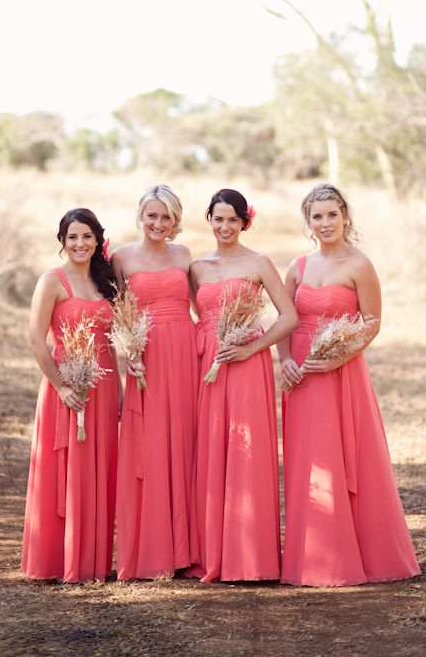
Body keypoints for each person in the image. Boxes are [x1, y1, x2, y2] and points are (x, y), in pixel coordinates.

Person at [279, 183, 421, 587]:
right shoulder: (299, 267)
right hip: (302, 376)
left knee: (347, 456)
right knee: (310, 460)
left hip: (341, 372)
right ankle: (314, 556)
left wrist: (339, 358)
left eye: (332, 215)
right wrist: (286, 359)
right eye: (317, 216)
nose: (325, 223)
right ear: (308, 222)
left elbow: (372, 322)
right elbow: (286, 318)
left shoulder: (360, 265)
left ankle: (357, 556)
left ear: (345, 216)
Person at [188, 188, 298, 583]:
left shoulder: (259, 262)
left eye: (233, 220)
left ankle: (252, 556)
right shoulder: (197, 268)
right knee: (213, 448)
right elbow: (198, 318)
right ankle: (214, 552)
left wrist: (252, 348)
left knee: (248, 450)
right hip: (210, 365)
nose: (225, 227)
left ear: (244, 221)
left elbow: (289, 317)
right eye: (218, 219)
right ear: (209, 220)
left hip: (247, 365)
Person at [21, 208, 120, 583]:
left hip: (105, 385)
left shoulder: (105, 283)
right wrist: (62, 386)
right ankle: (61, 560)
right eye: (72, 237)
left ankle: (93, 560)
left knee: (101, 466)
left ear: (98, 241)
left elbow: (112, 344)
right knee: (67, 469)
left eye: (87, 237)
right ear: (62, 242)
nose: (80, 244)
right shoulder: (52, 281)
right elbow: (35, 338)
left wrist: (121, 392)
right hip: (66, 384)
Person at [111, 185, 199, 579]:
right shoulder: (122, 257)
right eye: (152, 216)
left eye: (166, 217)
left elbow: (204, 306)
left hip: (185, 351)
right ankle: (153, 549)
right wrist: (129, 352)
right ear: (140, 216)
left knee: (185, 441)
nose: (158, 224)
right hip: (146, 356)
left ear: (175, 219)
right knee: (151, 443)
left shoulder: (184, 255)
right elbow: (117, 313)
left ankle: (189, 548)